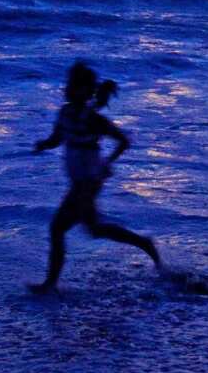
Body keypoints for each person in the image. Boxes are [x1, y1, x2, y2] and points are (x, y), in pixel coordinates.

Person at [29, 62, 162, 293]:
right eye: (69, 83)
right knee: (93, 229)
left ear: (86, 90)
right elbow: (57, 138)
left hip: (88, 181)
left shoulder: (94, 120)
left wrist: (106, 163)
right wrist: (44, 145)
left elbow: (123, 140)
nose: (68, 88)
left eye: (74, 84)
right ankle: (144, 243)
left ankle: (50, 285)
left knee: (58, 228)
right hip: (80, 180)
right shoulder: (65, 113)